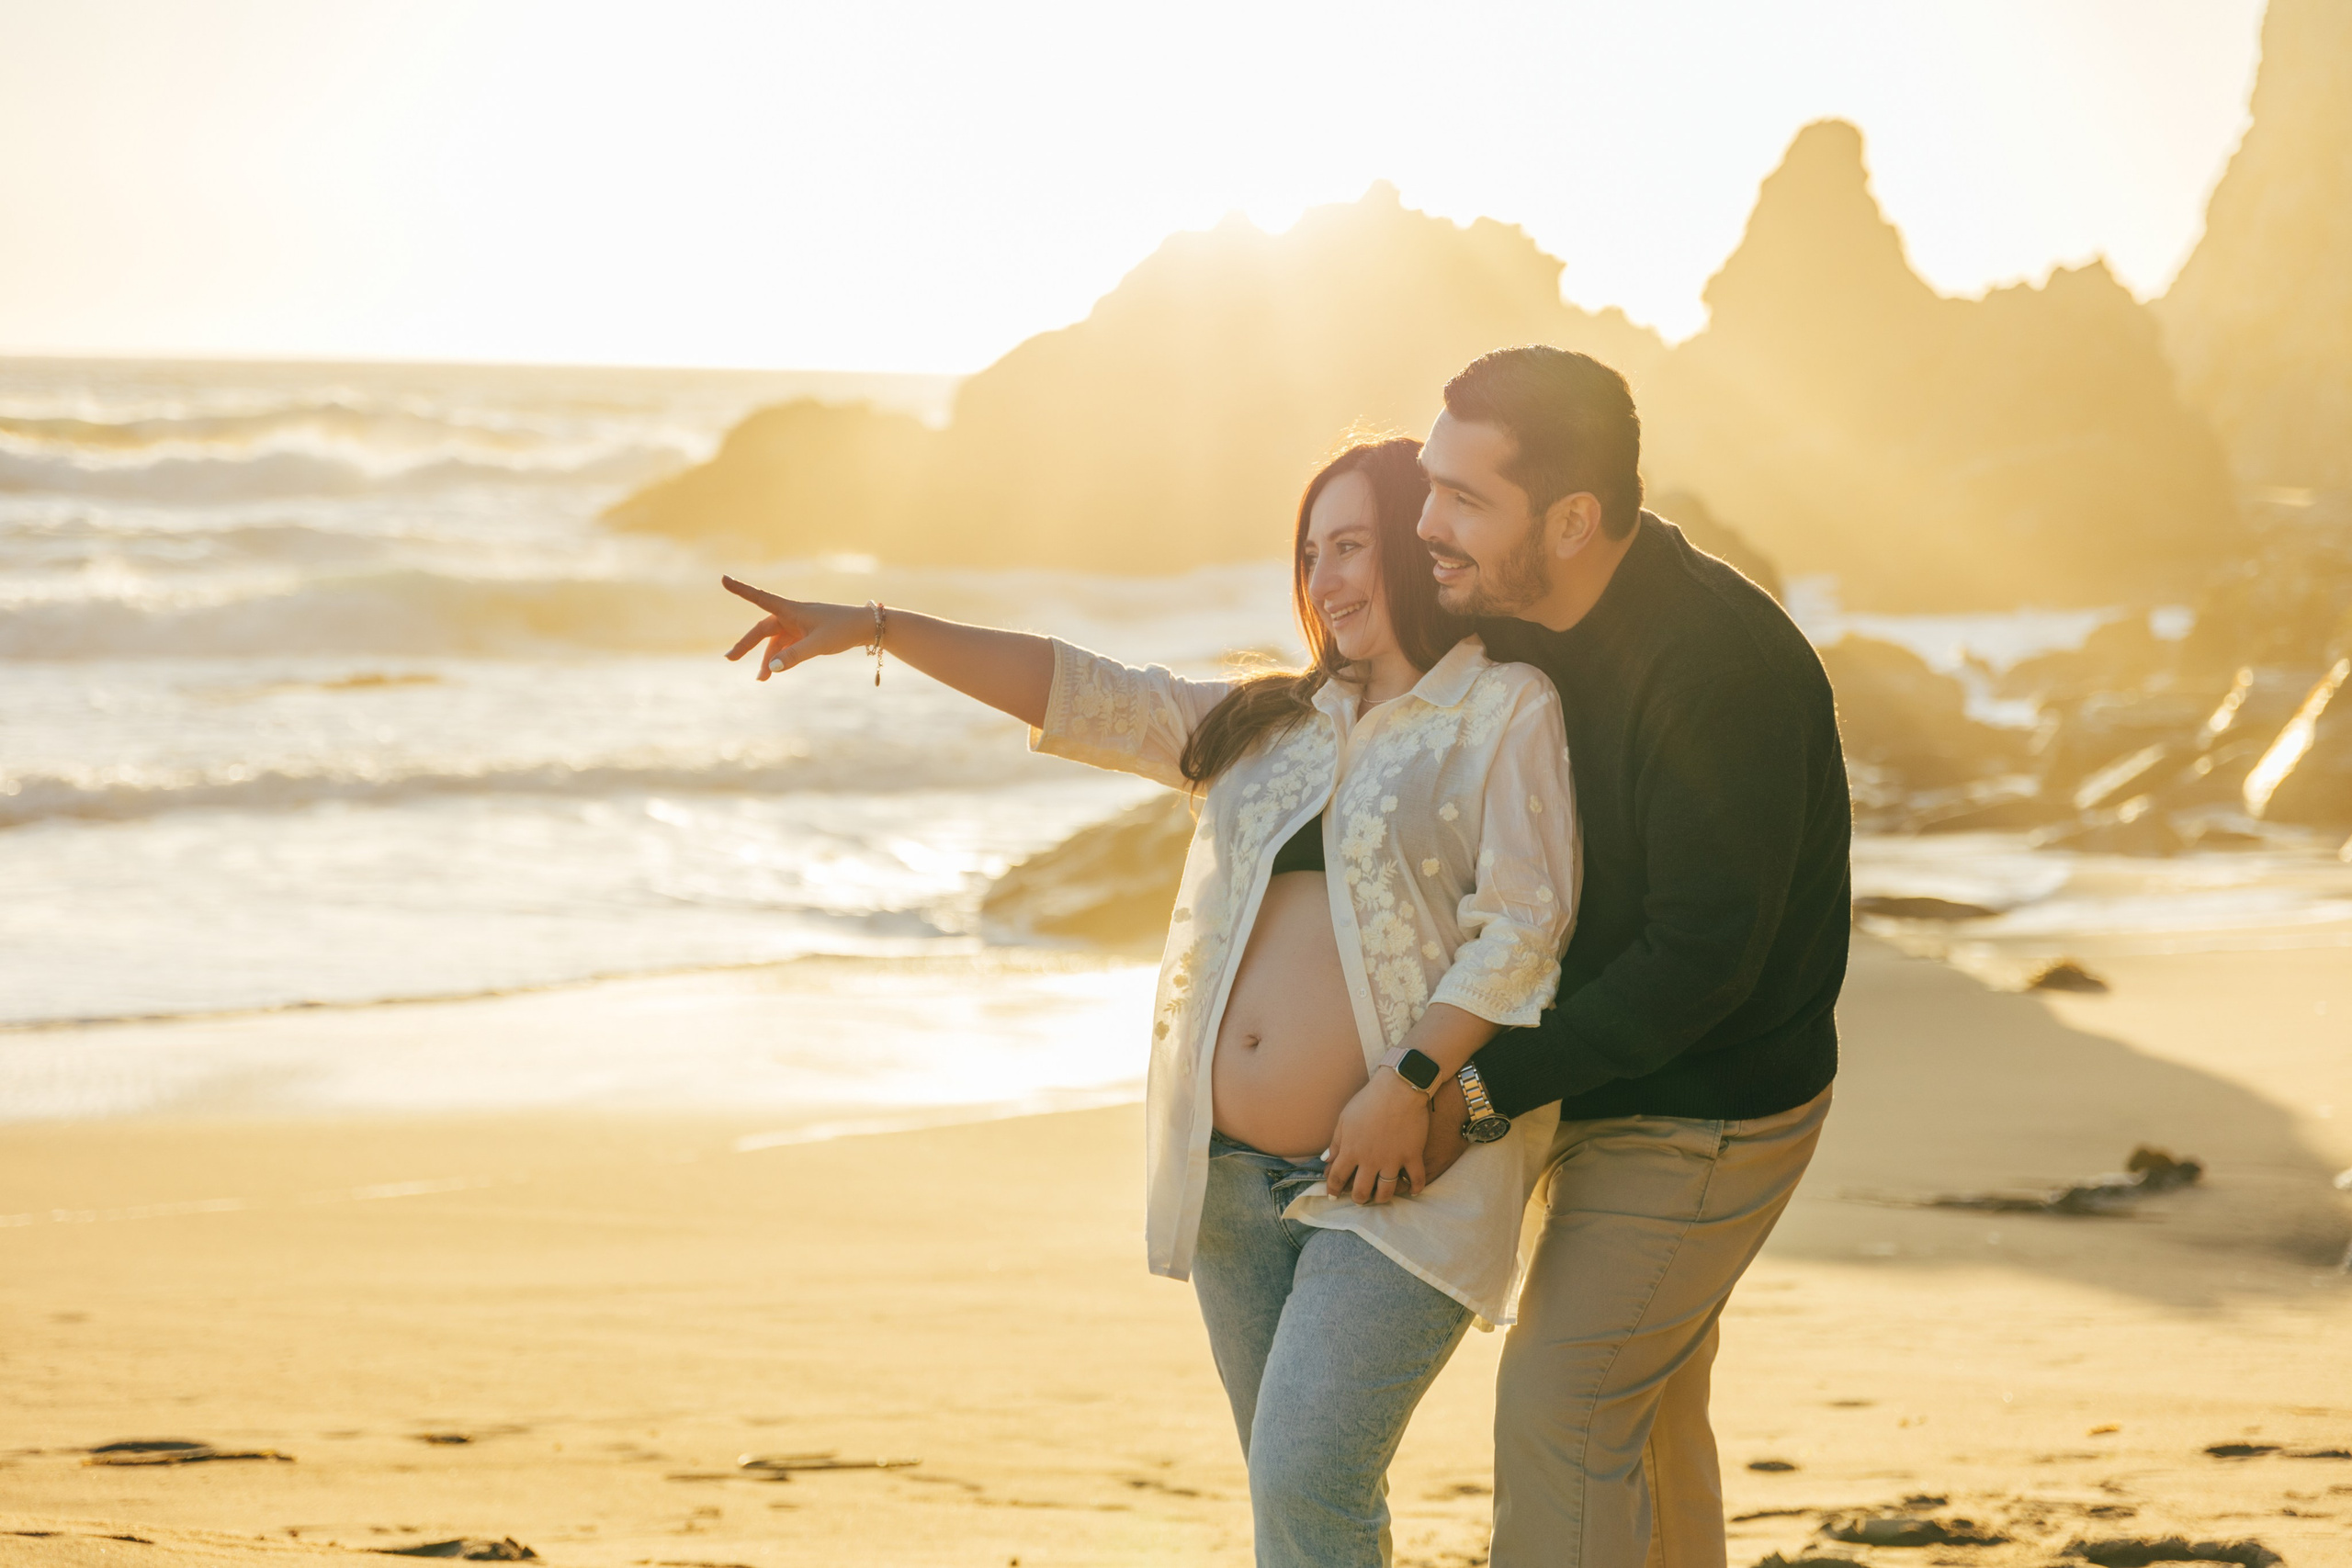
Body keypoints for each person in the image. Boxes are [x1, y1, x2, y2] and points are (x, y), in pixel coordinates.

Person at [718, 436, 1581, 1568]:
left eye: (1354, 545)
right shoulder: (1258, 722)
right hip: (1227, 1181)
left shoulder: (1502, 710)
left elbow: (1524, 924)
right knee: (1301, 1504)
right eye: (1311, 553)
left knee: (1306, 1478)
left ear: (1421, 547)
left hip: (1398, 1169)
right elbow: (1082, 693)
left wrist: (1407, 1083)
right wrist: (883, 627)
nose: (1325, 580)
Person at [1387, 347, 1851, 1568]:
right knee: (1642, 1406)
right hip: (1591, 1071)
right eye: (1429, 485)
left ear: (1575, 518)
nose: (1426, 525)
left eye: (1463, 498)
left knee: (1564, 1401)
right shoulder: (1513, 599)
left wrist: (1473, 1093)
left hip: (1710, 1104)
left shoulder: (1716, 668)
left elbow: (1703, 960)